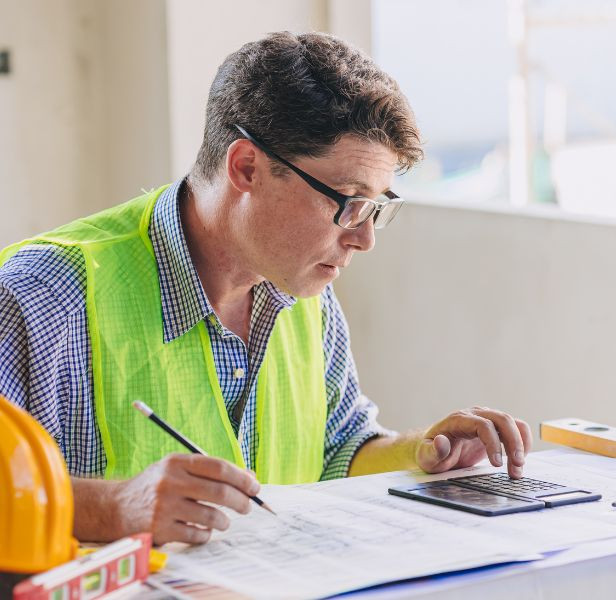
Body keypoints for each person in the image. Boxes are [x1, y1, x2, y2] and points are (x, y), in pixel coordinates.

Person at [0, 31, 533, 545]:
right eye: (347, 200)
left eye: (376, 207)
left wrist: (423, 453)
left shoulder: (305, 293)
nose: (365, 238)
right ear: (248, 167)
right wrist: (115, 508)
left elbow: (337, 450)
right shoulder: (41, 297)